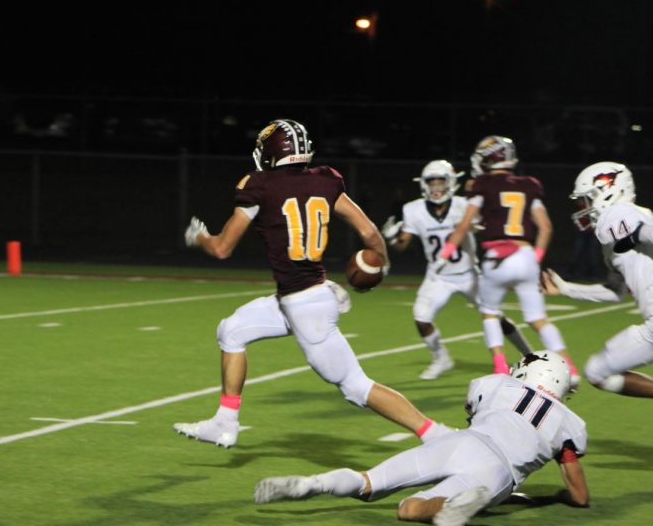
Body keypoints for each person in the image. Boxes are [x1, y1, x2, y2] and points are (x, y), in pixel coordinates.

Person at [174, 119, 449, 448]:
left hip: (306, 306)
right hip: (300, 297)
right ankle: (225, 421)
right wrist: (381, 263)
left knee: (355, 387)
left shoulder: (259, 185)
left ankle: (436, 434)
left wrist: (199, 237)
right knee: (231, 330)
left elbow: (222, 248)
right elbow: (368, 231)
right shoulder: (325, 180)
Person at [254, 351, 590, 526]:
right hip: (499, 472)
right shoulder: (568, 423)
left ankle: (313, 484)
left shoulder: (496, 384)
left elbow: (472, 416)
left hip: (463, 443)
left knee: (368, 482)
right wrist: (560, 495)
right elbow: (579, 495)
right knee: (409, 509)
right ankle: (447, 506)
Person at [541, 161, 653, 442]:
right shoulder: (625, 228)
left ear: (607, 190)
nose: (582, 208)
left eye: (586, 199)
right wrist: (567, 289)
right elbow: (616, 291)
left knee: (597, 372)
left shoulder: (615, 215)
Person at [438, 136, 580, 384]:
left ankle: (500, 366)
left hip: (497, 257)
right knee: (538, 318)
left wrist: (446, 253)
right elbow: (545, 227)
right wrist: (534, 257)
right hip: (525, 255)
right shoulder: (528, 184)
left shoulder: (482, 185)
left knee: (490, 313)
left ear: (490, 157)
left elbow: (463, 225)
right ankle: (569, 367)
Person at [382, 159, 534, 380]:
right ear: (424, 184)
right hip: (438, 276)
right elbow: (402, 245)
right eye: (431, 182)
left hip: (469, 274)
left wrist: (476, 227)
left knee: (496, 317)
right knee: (421, 317)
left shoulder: (465, 205)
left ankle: (529, 355)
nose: (436, 187)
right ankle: (441, 358)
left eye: (440, 182)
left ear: (451, 183)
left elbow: (487, 232)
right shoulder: (413, 210)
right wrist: (391, 238)